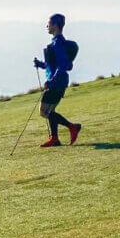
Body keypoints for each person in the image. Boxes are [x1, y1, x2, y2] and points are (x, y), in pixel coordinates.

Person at [33, 13, 81, 147]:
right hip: (59, 81)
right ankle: (55, 139)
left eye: (49, 23)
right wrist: (41, 64)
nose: (47, 26)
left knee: (43, 112)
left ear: (55, 25)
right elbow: (53, 65)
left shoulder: (58, 43)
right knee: (50, 112)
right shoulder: (56, 42)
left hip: (56, 82)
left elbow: (62, 65)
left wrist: (51, 81)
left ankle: (72, 127)